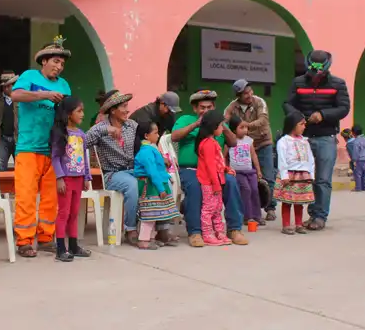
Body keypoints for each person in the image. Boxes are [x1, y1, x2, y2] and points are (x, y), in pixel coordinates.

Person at [87, 91, 179, 247]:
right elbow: (84, 141)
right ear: (113, 110)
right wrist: (106, 130)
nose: (127, 110)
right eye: (123, 107)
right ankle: (130, 230)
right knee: (132, 185)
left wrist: (157, 158)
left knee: (163, 180)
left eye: (126, 106)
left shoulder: (132, 126)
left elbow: (145, 143)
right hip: (113, 174)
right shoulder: (100, 128)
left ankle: (162, 228)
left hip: (133, 170)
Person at [9, 35, 73, 258]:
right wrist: (45, 94)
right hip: (28, 147)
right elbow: (15, 95)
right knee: (26, 196)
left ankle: (46, 237)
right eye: (55, 61)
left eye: (62, 64)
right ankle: (24, 240)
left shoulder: (64, 85)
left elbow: (69, 111)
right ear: (44, 60)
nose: (59, 66)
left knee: (51, 197)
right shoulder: (29, 76)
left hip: (54, 150)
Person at [171, 90, 248, 247]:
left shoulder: (218, 124)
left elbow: (233, 143)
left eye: (209, 107)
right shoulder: (186, 119)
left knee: (232, 182)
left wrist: (223, 126)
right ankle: (195, 232)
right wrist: (196, 124)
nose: (205, 111)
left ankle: (234, 229)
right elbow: (174, 136)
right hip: (191, 169)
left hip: (216, 170)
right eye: (202, 107)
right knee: (194, 187)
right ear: (195, 108)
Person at [283, 50, 350, 231]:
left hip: (326, 137)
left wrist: (323, 115)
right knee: (301, 178)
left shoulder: (338, 84)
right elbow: (287, 103)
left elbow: (344, 108)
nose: (315, 77)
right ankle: (302, 214)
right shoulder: (297, 82)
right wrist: (298, 117)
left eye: (319, 73)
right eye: (313, 72)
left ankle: (319, 216)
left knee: (322, 180)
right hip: (302, 138)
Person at [224, 79, 277, 222]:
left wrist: (245, 126)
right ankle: (250, 212)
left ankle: (270, 208)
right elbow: (224, 122)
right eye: (245, 93)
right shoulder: (232, 107)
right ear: (238, 95)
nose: (249, 95)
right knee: (249, 183)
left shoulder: (259, 102)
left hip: (263, 142)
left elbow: (263, 120)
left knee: (268, 177)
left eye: (250, 91)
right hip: (243, 145)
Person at [50, 96, 94, 262]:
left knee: (75, 213)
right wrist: (60, 178)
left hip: (78, 179)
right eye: (79, 111)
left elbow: (84, 157)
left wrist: (87, 176)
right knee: (64, 213)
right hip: (66, 180)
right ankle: (61, 248)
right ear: (69, 114)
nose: (82, 114)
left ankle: (74, 246)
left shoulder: (81, 135)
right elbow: (55, 158)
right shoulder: (60, 134)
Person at [132, 121, 181, 250]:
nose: (158, 135)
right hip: (150, 186)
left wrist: (166, 178)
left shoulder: (151, 149)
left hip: (155, 183)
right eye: (155, 132)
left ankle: (151, 238)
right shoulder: (146, 152)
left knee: (155, 214)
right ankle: (143, 240)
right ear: (147, 136)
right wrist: (161, 188)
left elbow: (159, 170)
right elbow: (152, 171)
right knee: (149, 215)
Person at [275, 111, 316, 235]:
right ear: (293, 125)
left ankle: (299, 224)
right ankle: (286, 225)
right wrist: (284, 175)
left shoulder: (305, 141)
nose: (304, 126)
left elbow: (310, 158)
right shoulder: (284, 141)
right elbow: (281, 159)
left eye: (305, 124)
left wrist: (311, 174)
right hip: (289, 175)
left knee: (300, 201)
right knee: (287, 201)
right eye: (301, 124)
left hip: (303, 175)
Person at [195, 110, 232, 246]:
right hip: (210, 182)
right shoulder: (208, 144)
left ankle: (219, 233)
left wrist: (226, 168)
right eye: (221, 125)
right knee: (209, 209)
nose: (222, 128)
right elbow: (210, 166)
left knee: (217, 208)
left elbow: (218, 161)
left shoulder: (213, 142)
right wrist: (216, 184)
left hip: (216, 180)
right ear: (213, 126)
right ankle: (207, 234)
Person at [226, 113, 263, 230]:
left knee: (254, 190)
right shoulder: (230, 141)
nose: (245, 130)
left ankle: (257, 216)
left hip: (249, 171)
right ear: (233, 129)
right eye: (241, 127)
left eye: (246, 127)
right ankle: (247, 216)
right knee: (245, 190)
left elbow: (254, 155)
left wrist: (258, 170)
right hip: (237, 172)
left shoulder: (249, 141)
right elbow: (223, 156)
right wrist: (225, 168)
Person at [0, 70, 19, 171]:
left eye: (9, 85)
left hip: (18, 138)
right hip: (2, 138)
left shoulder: (21, 98)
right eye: (4, 86)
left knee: (20, 167)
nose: (6, 88)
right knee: (1, 166)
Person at [349, 125, 365, 192]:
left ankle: (358, 188)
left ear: (353, 133)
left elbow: (356, 151)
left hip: (359, 159)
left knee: (358, 174)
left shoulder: (356, 141)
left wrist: (354, 160)